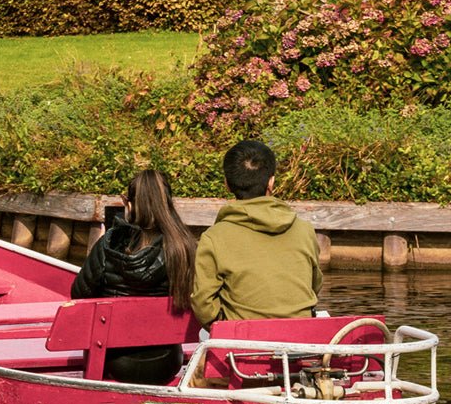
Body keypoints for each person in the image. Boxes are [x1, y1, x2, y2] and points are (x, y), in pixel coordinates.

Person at [71, 169, 197, 382]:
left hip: (116, 360)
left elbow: (78, 294)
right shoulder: (184, 248)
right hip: (167, 362)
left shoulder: (109, 244)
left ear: (130, 205)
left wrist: (101, 245)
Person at [191, 140, 322, 325]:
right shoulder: (305, 230)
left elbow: (203, 304)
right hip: (300, 347)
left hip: (241, 350)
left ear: (227, 184)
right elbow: (314, 286)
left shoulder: (214, 238)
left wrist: (225, 325)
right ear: (272, 182)